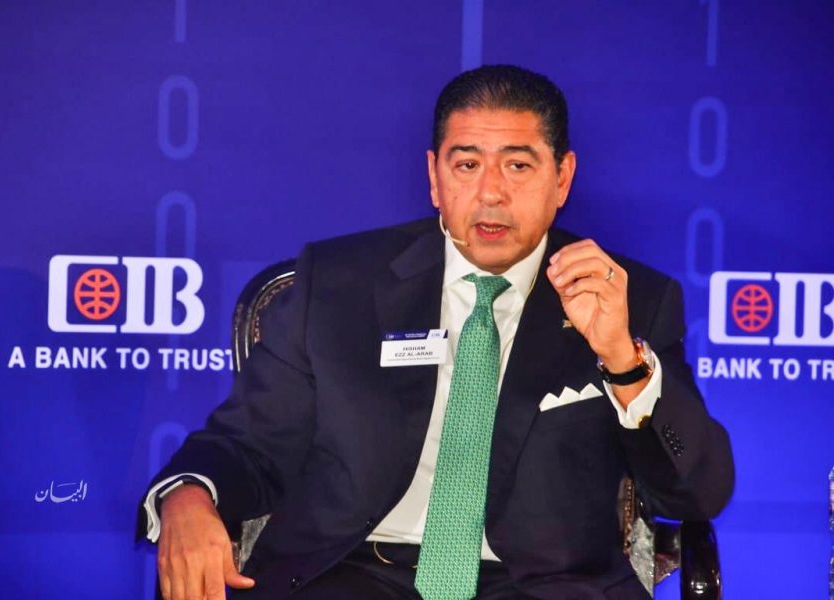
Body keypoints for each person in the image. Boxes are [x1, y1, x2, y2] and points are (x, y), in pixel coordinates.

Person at [137, 65, 734, 600]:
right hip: (351, 573)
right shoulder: (340, 286)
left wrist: (623, 360)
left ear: (562, 177)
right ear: (434, 176)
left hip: (544, 586)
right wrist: (190, 495)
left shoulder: (628, 298)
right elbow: (249, 443)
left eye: (519, 165)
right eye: (467, 165)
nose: (491, 192)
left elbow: (696, 495)